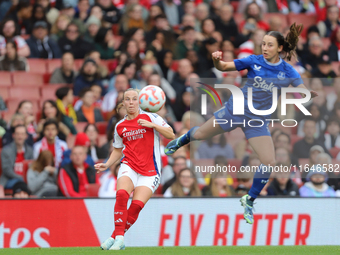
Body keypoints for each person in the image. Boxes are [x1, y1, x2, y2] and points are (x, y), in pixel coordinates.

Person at [164, 23, 318, 224]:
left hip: (257, 121)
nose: (264, 48)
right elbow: (224, 67)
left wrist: (307, 95)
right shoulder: (253, 61)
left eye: (269, 45)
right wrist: (216, 61)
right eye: (263, 44)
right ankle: (182, 139)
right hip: (235, 111)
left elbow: (301, 91)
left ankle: (250, 199)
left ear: (280, 48)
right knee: (200, 134)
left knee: (269, 162)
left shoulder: (288, 71)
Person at [95, 88, 175, 250]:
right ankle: (120, 238)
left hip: (150, 170)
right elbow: (118, 149)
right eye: (127, 99)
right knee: (122, 194)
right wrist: (107, 164)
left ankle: (114, 237)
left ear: (140, 101)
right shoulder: (120, 126)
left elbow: (171, 134)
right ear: (123, 103)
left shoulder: (151, 117)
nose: (131, 102)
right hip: (129, 165)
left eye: (134, 99)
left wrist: (152, 125)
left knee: (136, 206)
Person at [0, 125, 33, 189]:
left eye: (22, 134)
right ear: (13, 135)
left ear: (26, 136)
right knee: (21, 183)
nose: (20, 136)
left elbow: (32, 167)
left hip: (26, 180)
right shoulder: (6, 150)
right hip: (9, 180)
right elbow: (7, 170)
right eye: (17, 134)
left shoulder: (30, 150)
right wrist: (21, 178)